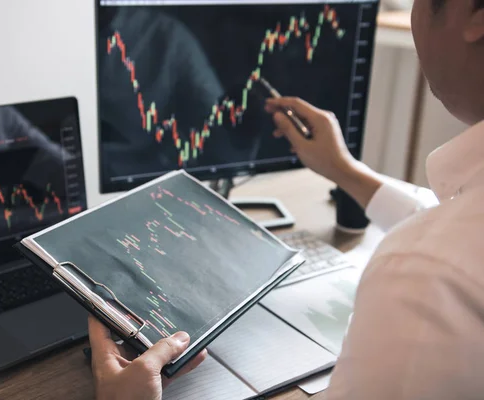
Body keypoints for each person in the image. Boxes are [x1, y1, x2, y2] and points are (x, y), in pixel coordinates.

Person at [88, 0, 484, 398]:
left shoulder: (424, 271)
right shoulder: (452, 243)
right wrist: (344, 171)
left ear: (474, 16)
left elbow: (441, 249)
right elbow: (450, 227)